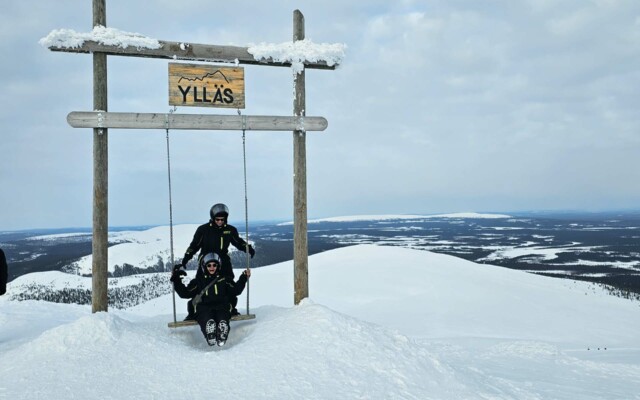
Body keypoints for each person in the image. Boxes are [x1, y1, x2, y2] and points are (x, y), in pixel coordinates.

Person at [178, 203, 255, 318]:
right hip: (206, 262)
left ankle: (230, 308)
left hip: (223, 261)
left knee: (228, 285)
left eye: (222, 219)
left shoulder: (230, 230)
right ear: (212, 218)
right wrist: (186, 257)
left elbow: (238, 242)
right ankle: (195, 311)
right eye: (217, 219)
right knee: (200, 285)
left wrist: (247, 248)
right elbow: (194, 245)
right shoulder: (203, 230)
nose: (220, 221)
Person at [171, 252, 250, 346]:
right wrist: (176, 279)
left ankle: (222, 332)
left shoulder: (224, 280)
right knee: (205, 317)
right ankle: (210, 334)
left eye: (214, 265)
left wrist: (244, 277)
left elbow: (236, 290)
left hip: (222, 306)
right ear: (204, 266)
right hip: (204, 307)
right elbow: (185, 293)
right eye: (209, 265)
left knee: (223, 316)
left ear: (218, 265)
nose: (212, 267)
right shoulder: (198, 281)